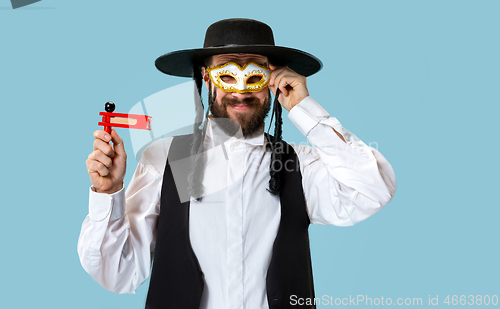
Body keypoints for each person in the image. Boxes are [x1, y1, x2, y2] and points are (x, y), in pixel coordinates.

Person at [78, 18, 397, 309]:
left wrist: (304, 108)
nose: (241, 90)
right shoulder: (165, 161)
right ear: (207, 77)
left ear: (273, 78)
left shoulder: (300, 165)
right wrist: (108, 192)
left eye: (255, 73)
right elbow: (117, 274)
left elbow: (373, 189)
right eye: (227, 73)